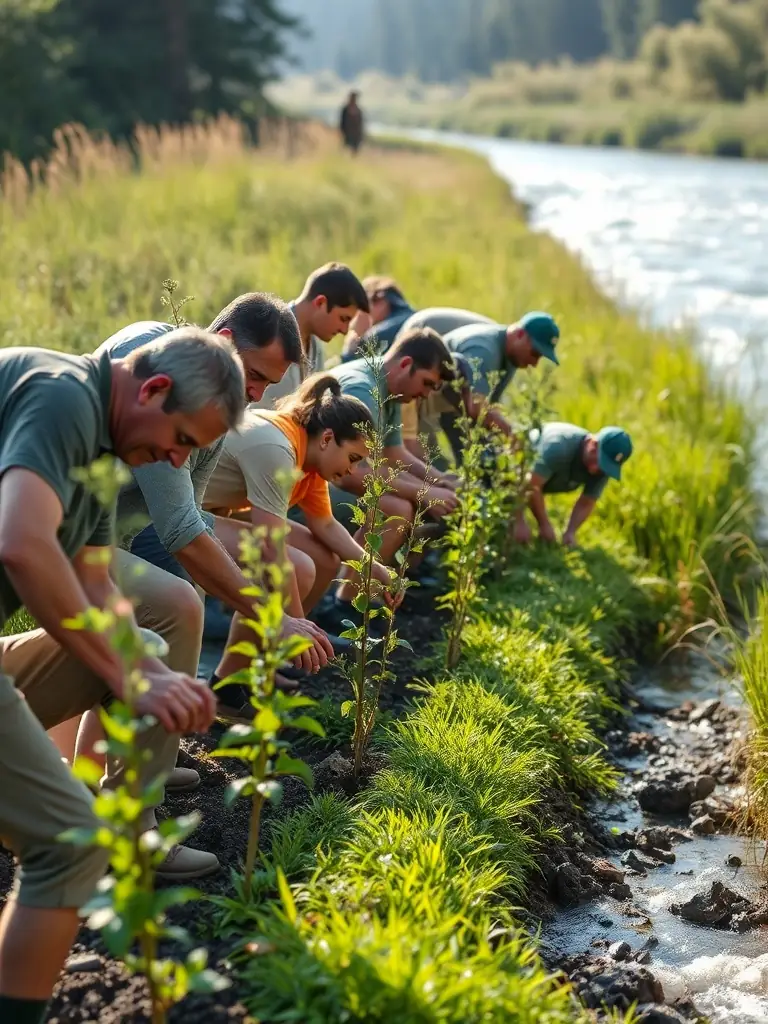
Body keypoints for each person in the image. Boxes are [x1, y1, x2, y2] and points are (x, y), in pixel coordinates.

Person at [0, 328, 237, 1023]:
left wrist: (148, 674)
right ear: (154, 389)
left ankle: (131, 831)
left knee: (136, 644)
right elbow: (20, 541)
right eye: (182, 440)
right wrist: (134, 680)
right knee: (68, 847)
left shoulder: (97, 441)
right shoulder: (61, 397)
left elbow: (94, 583)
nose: (175, 459)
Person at [56, 295, 334, 808]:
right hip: (77, 527)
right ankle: (119, 795)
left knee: (179, 601)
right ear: (225, 343)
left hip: (109, 527)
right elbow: (180, 525)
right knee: (171, 611)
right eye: (253, 377)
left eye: (267, 387)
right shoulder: (175, 383)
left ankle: (137, 760)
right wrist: (270, 615)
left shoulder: (215, 394)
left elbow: (192, 505)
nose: (254, 396)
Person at [203, 373, 399, 629]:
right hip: (187, 514)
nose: (354, 470)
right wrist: (298, 625)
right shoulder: (279, 450)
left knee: (324, 558)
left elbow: (325, 525)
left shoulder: (310, 459)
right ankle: (290, 642)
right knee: (298, 566)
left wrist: (374, 568)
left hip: (219, 511)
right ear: (328, 439)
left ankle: (278, 653)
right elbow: (270, 546)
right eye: (353, 458)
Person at [319, 328, 459, 629]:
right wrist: (423, 494)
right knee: (397, 508)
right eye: (427, 383)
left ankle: (351, 596)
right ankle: (343, 604)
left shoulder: (390, 391)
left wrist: (441, 482)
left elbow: (396, 454)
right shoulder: (362, 389)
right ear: (406, 364)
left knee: (403, 502)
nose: (425, 394)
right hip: (309, 480)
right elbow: (349, 473)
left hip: (334, 475)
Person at [437, 311, 562, 463]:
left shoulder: (510, 356)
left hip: (450, 401)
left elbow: (488, 409)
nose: (534, 364)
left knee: (483, 462)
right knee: (429, 468)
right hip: (424, 397)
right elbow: (477, 407)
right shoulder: (485, 350)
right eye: (534, 353)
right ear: (520, 334)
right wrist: (511, 434)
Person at [252, 262, 369, 410]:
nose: (344, 330)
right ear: (320, 302)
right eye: (343, 319)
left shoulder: (316, 347)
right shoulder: (268, 332)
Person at [514, 423, 633, 547]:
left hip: (535, 481)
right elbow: (531, 485)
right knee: (517, 530)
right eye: (598, 460)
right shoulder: (558, 448)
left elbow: (587, 501)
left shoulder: (603, 468)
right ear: (593, 443)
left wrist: (570, 532)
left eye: (604, 465)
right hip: (513, 472)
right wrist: (527, 521)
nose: (595, 469)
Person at [341, 276, 415, 362]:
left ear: (379, 299)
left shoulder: (377, 336)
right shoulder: (414, 317)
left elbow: (348, 368)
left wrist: (353, 340)